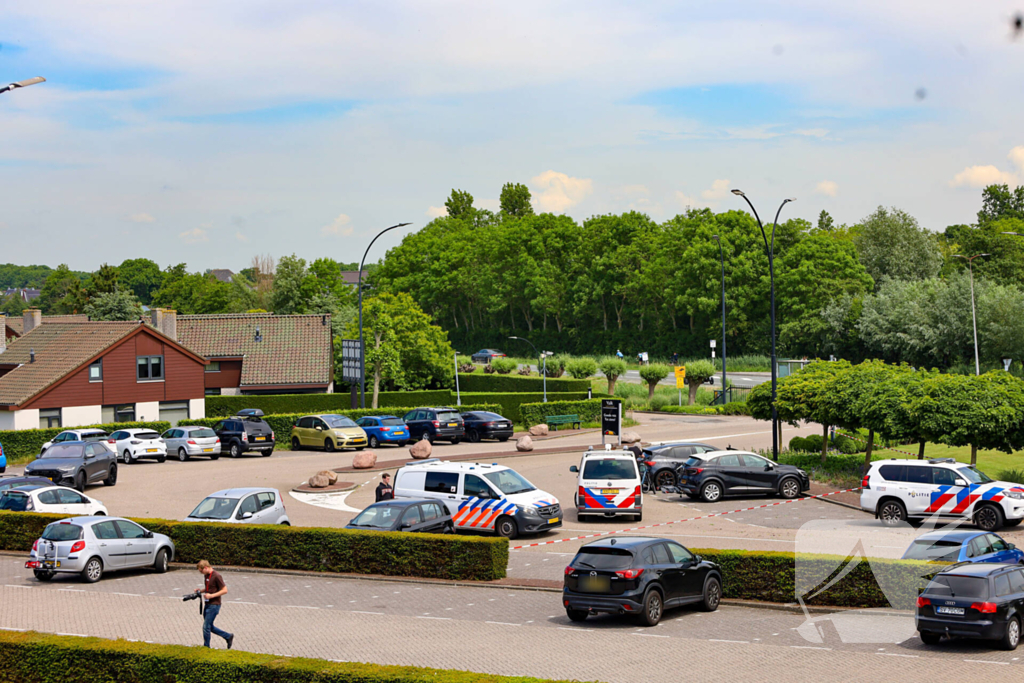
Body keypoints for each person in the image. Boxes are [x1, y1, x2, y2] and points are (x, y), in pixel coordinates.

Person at [197, 560, 233, 649]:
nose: (201, 573)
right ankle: (228, 636)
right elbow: (210, 588)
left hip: (214, 605)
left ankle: (206, 647)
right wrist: (201, 591)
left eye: (201, 571)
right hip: (207, 604)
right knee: (209, 626)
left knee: (206, 627)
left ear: (205, 567)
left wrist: (211, 596)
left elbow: (225, 590)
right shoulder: (206, 575)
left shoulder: (217, 576)